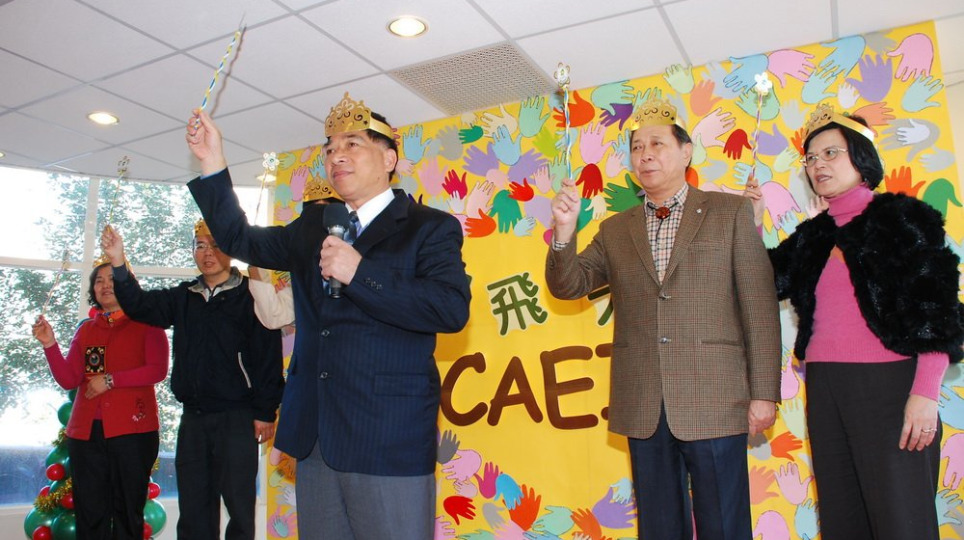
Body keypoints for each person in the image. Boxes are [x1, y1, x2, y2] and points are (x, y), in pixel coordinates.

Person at [185, 93, 471, 539]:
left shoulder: (428, 227)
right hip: (315, 438)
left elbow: (450, 308)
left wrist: (360, 273)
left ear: (389, 158)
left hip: (387, 440)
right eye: (330, 148)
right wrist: (212, 163)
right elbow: (239, 238)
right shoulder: (313, 227)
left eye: (352, 144)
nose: (337, 155)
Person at [545, 98, 782, 540]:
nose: (645, 155)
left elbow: (760, 308)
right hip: (644, 405)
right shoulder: (616, 229)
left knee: (725, 526)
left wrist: (764, 393)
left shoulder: (730, 213)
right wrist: (564, 232)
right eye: (637, 147)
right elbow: (569, 285)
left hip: (716, 401)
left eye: (657, 144)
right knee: (658, 528)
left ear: (686, 152)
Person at [744, 103, 964, 540]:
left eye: (831, 153)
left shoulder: (903, 218)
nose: (818, 165)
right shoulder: (814, 234)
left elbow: (937, 311)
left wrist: (924, 393)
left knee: (901, 520)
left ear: (861, 158)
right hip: (826, 387)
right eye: (811, 158)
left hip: (891, 388)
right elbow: (763, 282)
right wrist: (753, 225)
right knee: (843, 519)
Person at [99, 221, 284, 540]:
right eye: (200, 245)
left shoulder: (251, 295)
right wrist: (117, 260)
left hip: (237, 418)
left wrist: (265, 412)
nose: (207, 253)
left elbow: (268, 357)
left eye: (216, 245)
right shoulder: (183, 296)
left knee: (239, 507)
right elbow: (139, 305)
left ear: (231, 250)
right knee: (194, 509)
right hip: (194, 419)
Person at [31, 257, 168, 540]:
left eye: (112, 280)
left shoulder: (148, 322)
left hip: (133, 433)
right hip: (85, 435)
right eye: (99, 281)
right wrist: (49, 344)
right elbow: (69, 379)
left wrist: (110, 380)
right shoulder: (87, 329)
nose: (105, 285)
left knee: (128, 513)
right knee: (89, 515)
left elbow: (157, 370)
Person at [247, 176, 338, 330]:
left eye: (324, 212)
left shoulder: (358, 258)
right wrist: (254, 256)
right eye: (312, 215)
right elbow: (274, 316)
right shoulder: (302, 274)